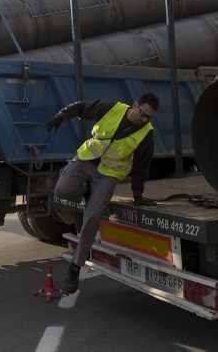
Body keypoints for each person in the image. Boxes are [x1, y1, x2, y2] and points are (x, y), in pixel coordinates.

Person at [46, 92, 160, 294]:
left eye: (148, 117)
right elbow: (81, 106)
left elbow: (142, 167)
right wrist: (61, 116)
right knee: (62, 191)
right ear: (134, 105)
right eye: (142, 113)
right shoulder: (112, 108)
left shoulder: (146, 134)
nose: (144, 119)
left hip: (108, 174)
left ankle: (75, 267)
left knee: (92, 217)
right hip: (87, 158)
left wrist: (138, 195)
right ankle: (84, 189)